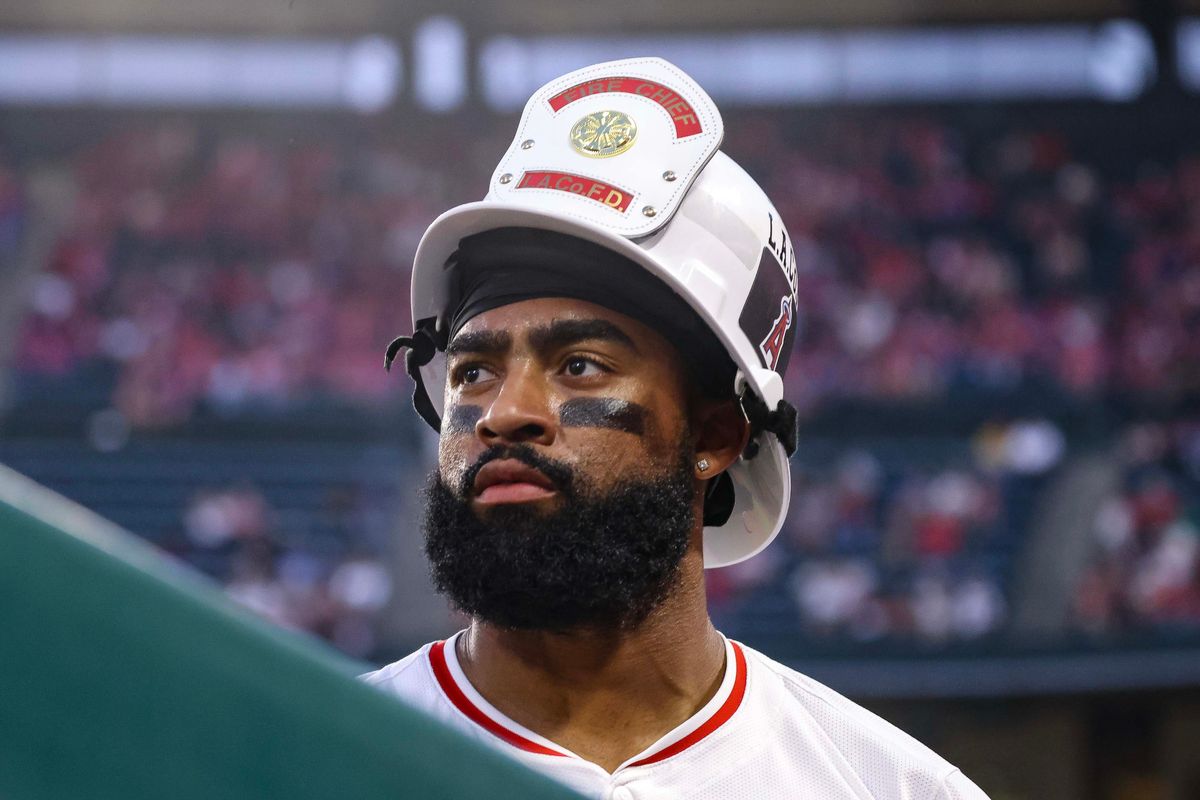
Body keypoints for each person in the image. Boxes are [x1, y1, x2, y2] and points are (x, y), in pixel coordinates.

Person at [364, 57, 990, 799]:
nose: (503, 414)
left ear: (716, 436)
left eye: (580, 366)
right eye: (473, 371)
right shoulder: (292, 758)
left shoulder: (893, 788)